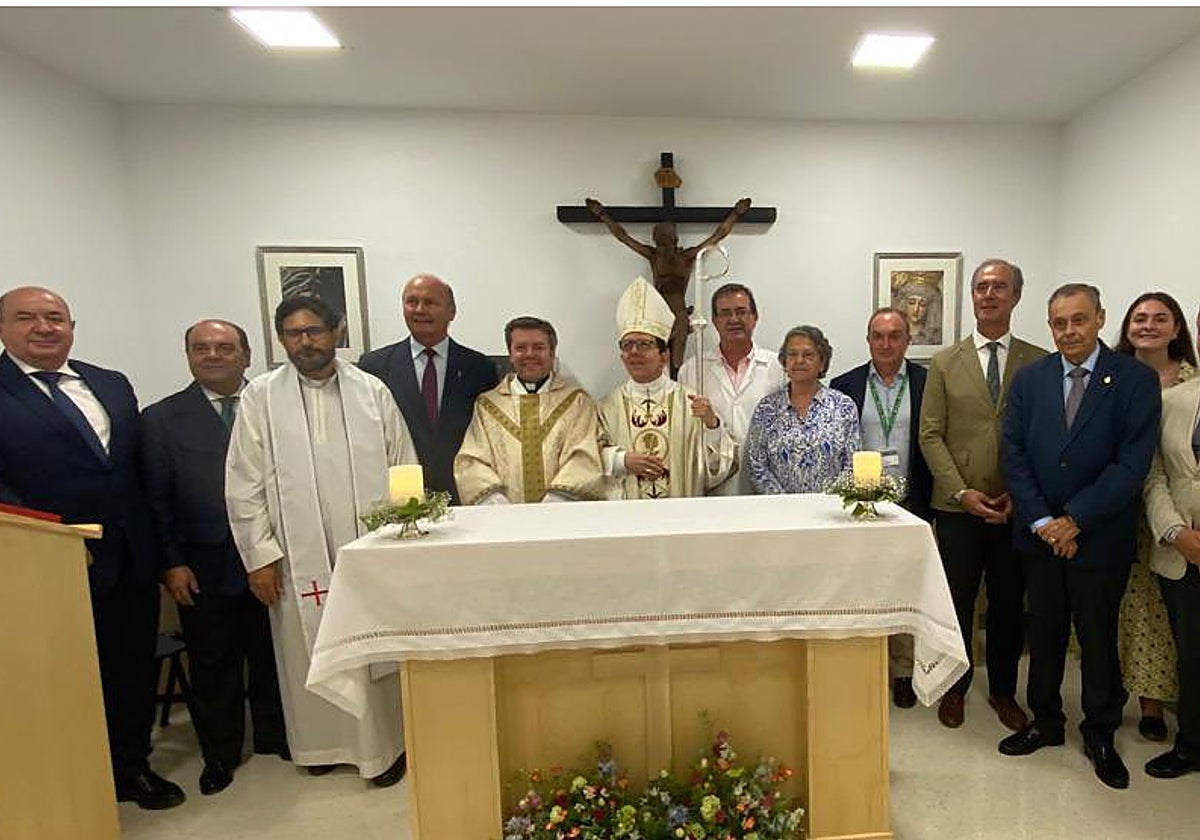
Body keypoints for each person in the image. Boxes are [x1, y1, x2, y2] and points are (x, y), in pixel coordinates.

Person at [0, 286, 185, 810]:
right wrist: (49, 538)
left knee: (130, 670)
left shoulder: (109, 384)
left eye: (55, 317)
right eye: (27, 318)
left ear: (71, 325)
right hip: (40, 568)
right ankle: (69, 778)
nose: (43, 327)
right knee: (60, 677)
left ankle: (131, 768)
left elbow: (142, 475)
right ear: (3, 328)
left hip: (129, 559)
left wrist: (168, 557)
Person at [225, 295, 417, 786]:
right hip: (296, 559)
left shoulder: (372, 392)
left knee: (375, 651)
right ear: (282, 340)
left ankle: (384, 750)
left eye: (314, 330)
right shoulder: (261, 397)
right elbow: (243, 482)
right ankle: (319, 745)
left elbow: (404, 467)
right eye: (293, 333)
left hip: (371, 555)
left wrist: (407, 538)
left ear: (338, 332)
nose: (305, 341)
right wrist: (259, 556)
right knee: (304, 648)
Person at [1000, 283, 1160, 790]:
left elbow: (1132, 462)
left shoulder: (1134, 380)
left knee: (1097, 637)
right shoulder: (1030, 380)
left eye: (1078, 320)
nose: (1068, 331)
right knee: (1043, 633)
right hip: (1041, 536)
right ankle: (1045, 722)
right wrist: (1045, 521)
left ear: (1099, 319)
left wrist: (1076, 518)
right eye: (1059, 322)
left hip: (1099, 535)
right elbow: (1015, 455)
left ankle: (1100, 732)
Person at [141, 319, 288, 795]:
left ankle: (277, 737)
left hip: (272, 554)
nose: (213, 355)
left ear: (246, 356)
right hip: (204, 564)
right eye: (201, 348)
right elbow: (157, 499)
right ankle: (220, 755)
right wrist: (171, 562)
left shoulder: (275, 405)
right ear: (188, 357)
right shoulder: (161, 418)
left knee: (274, 653)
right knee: (213, 662)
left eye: (225, 347)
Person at [919, 258, 1047, 731]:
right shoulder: (945, 362)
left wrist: (1020, 492)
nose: (989, 294)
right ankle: (954, 686)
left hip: (1017, 507)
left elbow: (1044, 435)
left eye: (999, 287)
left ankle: (1003, 692)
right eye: (980, 287)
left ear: (1016, 296)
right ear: (971, 297)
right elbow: (931, 434)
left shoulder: (1038, 362)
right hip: (957, 506)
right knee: (956, 599)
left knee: (1010, 602)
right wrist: (961, 491)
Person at [830, 307, 934, 709]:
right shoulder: (846, 384)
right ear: (868, 339)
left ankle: (905, 670)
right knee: (864, 589)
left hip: (913, 504)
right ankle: (868, 666)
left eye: (895, 336)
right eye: (878, 336)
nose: (886, 343)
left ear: (908, 341)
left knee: (906, 590)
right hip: (861, 506)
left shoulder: (929, 382)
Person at [1113, 292, 1197, 743]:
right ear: (1126, 326)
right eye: (1139, 318)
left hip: (1181, 518)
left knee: (1178, 616)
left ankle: (1181, 703)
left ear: (1177, 328)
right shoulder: (1112, 378)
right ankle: (1149, 704)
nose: (1148, 325)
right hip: (1126, 511)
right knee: (1139, 609)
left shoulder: (1191, 382)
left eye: (1159, 318)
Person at [359, 274, 499, 504]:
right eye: (412, 302)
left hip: (464, 497)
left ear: (452, 312)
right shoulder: (374, 367)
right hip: (400, 500)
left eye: (431, 303)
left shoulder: (480, 368)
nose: (420, 310)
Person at [598, 277, 736, 499]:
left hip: (680, 519)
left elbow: (718, 469)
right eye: (627, 345)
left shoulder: (691, 403)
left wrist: (711, 425)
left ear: (664, 356)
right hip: (627, 522)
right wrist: (622, 461)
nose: (634, 352)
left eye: (644, 344)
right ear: (621, 356)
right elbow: (587, 459)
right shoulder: (607, 407)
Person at [585, 197, 751, 375]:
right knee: (657, 362)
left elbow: (717, 235)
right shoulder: (654, 256)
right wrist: (602, 215)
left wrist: (735, 214)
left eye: (666, 240)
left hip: (679, 315)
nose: (663, 245)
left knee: (677, 364)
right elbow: (623, 237)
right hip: (658, 316)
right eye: (659, 241)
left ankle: (678, 395)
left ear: (675, 239)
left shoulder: (687, 257)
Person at [454, 316, 604, 505]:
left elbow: (585, 456)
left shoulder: (577, 402)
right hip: (503, 519)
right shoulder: (487, 405)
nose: (529, 354)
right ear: (510, 354)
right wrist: (495, 501)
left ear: (552, 352)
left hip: (563, 516)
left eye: (538, 347)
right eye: (520, 348)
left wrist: (557, 499)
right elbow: (472, 461)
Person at [1142, 303, 1200, 779]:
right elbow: (1155, 474)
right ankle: (1192, 744)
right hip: (1183, 544)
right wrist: (1176, 532)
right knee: (1192, 649)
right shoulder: (1177, 400)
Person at [677, 282, 785, 495]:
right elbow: (686, 434)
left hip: (766, 488)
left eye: (741, 312)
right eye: (725, 313)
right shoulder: (693, 370)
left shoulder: (779, 367)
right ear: (715, 321)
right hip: (713, 485)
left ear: (755, 317)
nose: (734, 319)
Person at [744, 325, 859, 494]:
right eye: (792, 354)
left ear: (822, 363)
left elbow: (852, 464)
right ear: (784, 362)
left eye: (808, 355)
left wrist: (827, 501)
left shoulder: (843, 407)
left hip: (831, 512)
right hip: (781, 513)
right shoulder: (766, 409)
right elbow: (756, 464)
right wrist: (784, 503)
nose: (799, 360)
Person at [892, 274, 943, 346]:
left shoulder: (934, 338)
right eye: (912, 303)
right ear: (904, 305)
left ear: (929, 308)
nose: (916, 309)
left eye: (922, 305)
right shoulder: (895, 334)